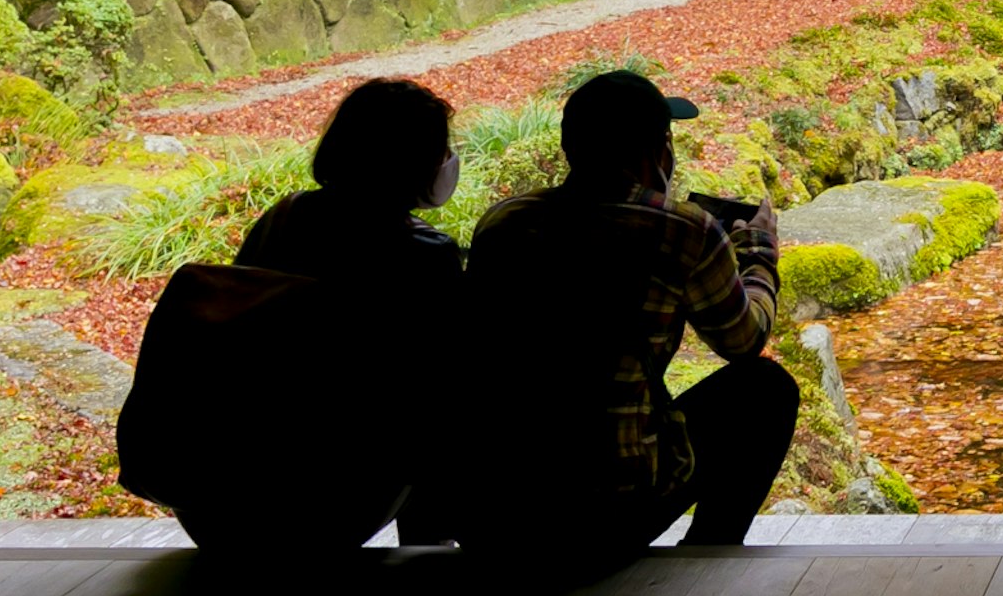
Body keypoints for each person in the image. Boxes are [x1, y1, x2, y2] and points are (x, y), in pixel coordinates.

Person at [445, 67, 794, 561]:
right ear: (658, 152)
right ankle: (708, 557)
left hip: (492, 519)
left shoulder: (504, 221)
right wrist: (758, 255)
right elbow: (744, 340)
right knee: (765, 389)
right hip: (601, 521)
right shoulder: (685, 232)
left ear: (569, 148)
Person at [170, 76, 466, 555]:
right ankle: (428, 550)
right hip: (323, 510)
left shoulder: (280, 221)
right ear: (419, 162)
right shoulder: (424, 253)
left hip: (210, 496)